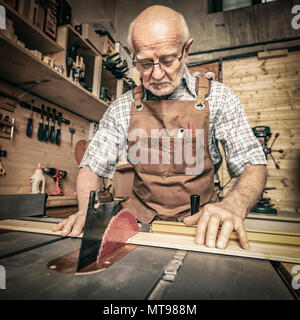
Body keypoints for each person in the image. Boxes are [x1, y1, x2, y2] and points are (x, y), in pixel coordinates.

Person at [53, 5, 267, 250]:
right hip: (138, 224)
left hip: (201, 223)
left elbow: (253, 164)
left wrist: (233, 205)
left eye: (166, 60)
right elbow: (92, 167)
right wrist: (86, 211)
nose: (155, 74)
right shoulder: (123, 107)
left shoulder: (219, 98)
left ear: (185, 51)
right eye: (144, 63)